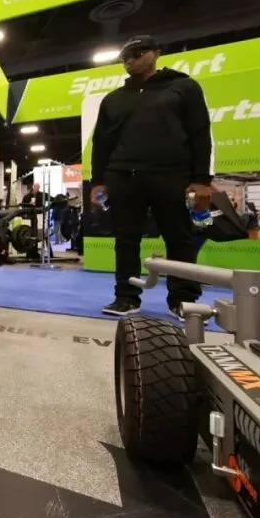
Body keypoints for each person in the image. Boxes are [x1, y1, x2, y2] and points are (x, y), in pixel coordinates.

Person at [88, 35, 214, 319]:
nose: (130, 61)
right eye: (125, 57)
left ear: (156, 53)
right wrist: (98, 182)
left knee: (179, 238)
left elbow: (200, 133)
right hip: (123, 176)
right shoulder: (113, 99)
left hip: (171, 174)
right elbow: (102, 143)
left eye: (137, 54)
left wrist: (201, 180)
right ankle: (126, 297)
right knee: (126, 239)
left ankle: (183, 300)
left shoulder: (183, 87)